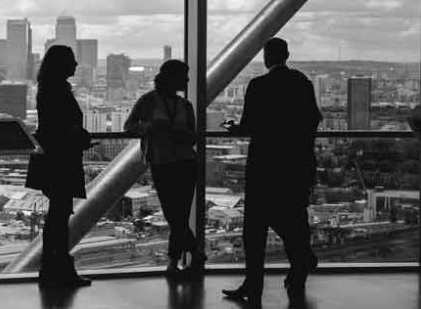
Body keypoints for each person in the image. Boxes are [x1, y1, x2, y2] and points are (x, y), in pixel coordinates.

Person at [222, 37, 322, 304]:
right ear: (287, 55)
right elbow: (314, 120)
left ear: (266, 58)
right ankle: (299, 270)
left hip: (264, 168)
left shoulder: (259, 85)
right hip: (296, 166)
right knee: (294, 220)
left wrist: (234, 129)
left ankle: (253, 286)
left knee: (254, 231)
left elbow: (248, 126)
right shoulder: (302, 83)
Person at [124, 60, 202, 280]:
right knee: (175, 215)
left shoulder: (185, 105)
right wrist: (149, 128)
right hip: (165, 163)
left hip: (182, 163)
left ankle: (174, 262)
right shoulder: (149, 101)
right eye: (184, 76)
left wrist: (173, 132)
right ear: (172, 78)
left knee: (178, 215)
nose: (187, 80)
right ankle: (192, 253)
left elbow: (193, 137)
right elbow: (129, 126)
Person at [25, 45, 94, 287]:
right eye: (72, 61)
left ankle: (52, 268)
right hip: (61, 160)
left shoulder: (48, 89)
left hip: (53, 158)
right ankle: (59, 269)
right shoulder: (57, 91)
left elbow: (52, 126)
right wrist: (78, 136)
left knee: (57, 215)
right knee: (59, 216)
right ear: (61, 64)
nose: (76, 65)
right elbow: (61, 126)